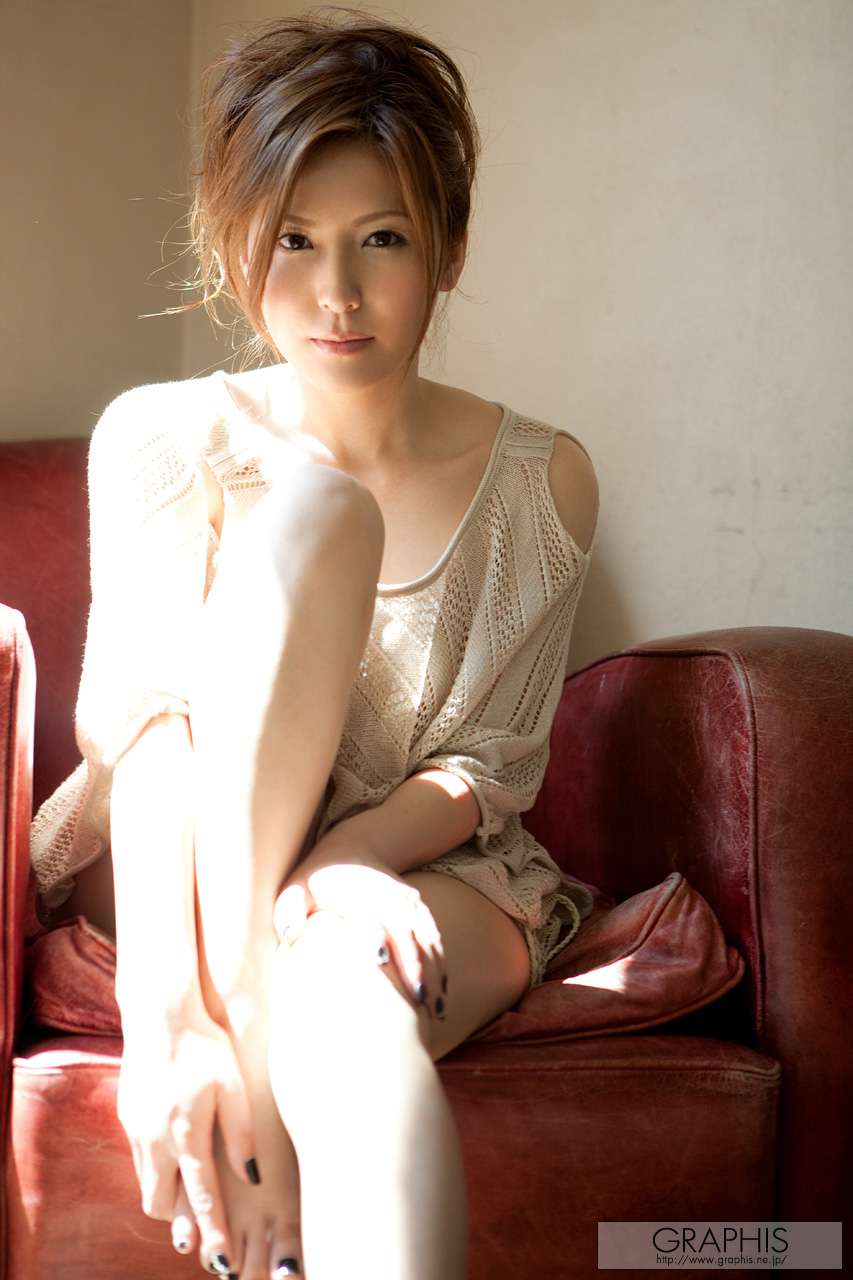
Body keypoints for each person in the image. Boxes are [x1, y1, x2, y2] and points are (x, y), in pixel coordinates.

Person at [28, 8, 599, 1279]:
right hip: (184, 859)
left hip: (413, 861)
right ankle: (255, 1008)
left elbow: (483, 769)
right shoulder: (161, 435)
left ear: (448, 247)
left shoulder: (541, 482)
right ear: (236, 243)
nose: (336, 294)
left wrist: (342, 864)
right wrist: (177, 1017)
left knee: (347, 996)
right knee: (318, 515)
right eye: (294, 240)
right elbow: (151, 730)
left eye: (381, 238)